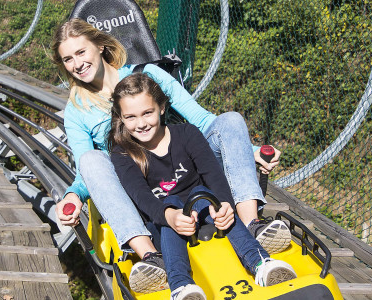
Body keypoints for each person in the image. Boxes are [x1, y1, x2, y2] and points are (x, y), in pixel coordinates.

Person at [50, 18, 289, 294]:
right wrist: (73, 194)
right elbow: (86, 170)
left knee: (231, 120)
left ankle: (251, 223)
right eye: (68, 59)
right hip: (137, 183)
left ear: (101, 46)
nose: (77, 64)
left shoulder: (148, 74)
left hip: (182, 164)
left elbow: (202, 120)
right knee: (92, 160)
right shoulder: (78, 109)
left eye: (81, 52)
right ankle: (151, 256)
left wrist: (249, 151)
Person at [107, 73, 297, 299]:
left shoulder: (187, 134)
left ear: (161, 107)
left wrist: (225, 205)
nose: (140, 123)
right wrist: (170, 217)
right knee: (171, 203)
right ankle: (180, 286)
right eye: (131, 117)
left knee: (203, 193)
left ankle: (260, 263)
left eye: (147, 112)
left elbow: (214, 175)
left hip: (204, 211)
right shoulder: (123, 153)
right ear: (122, 118)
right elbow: (141, 197)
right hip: (165, 224)